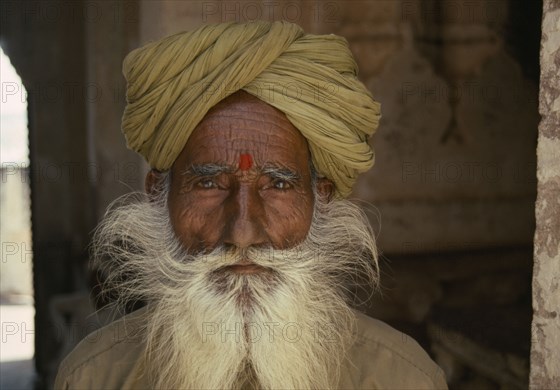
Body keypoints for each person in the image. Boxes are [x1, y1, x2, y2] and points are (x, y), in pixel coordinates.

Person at [55, 21, 448, 389]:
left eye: (278, 184)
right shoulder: (94, 376)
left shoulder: (402, 377)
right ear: (158, 193)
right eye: (208, 183)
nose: (243, 231)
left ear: (321, 199)